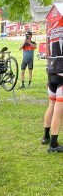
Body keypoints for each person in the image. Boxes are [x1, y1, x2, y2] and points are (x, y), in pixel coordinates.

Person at [43, 15, 63, 152]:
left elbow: (46, 51)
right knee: (58, 109)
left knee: (51, 104)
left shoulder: (52, 26)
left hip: (50, 70)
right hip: (62, 71)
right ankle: (54, 144)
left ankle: (46, 137)